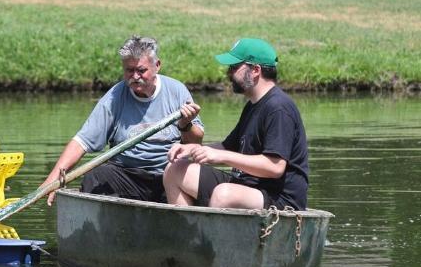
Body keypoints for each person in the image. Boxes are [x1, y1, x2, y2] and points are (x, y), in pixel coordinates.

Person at [42, 35, 203, 205]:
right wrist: (52, 181)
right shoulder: (114, 97)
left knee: (198, 177)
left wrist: (186, 125)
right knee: (96, 176)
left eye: (141, 70)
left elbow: (196, 141)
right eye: (129, 70)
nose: (135, 76)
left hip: (169, 174)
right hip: (127, 175)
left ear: (157, 66)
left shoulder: (177, 91)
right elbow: (82, 142)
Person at [162, 38, 309, 210]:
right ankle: (189, 235)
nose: (228, 73)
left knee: (223, 194)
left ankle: (212, 237)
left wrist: (221, 157)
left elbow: (274, 167)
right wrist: (192, 150)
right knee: (175, 170)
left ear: (255, 70)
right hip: (247, 186)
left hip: (279, 199)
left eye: (234, 67)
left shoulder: (278, 108)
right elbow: (228, 147)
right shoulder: (253, 105)